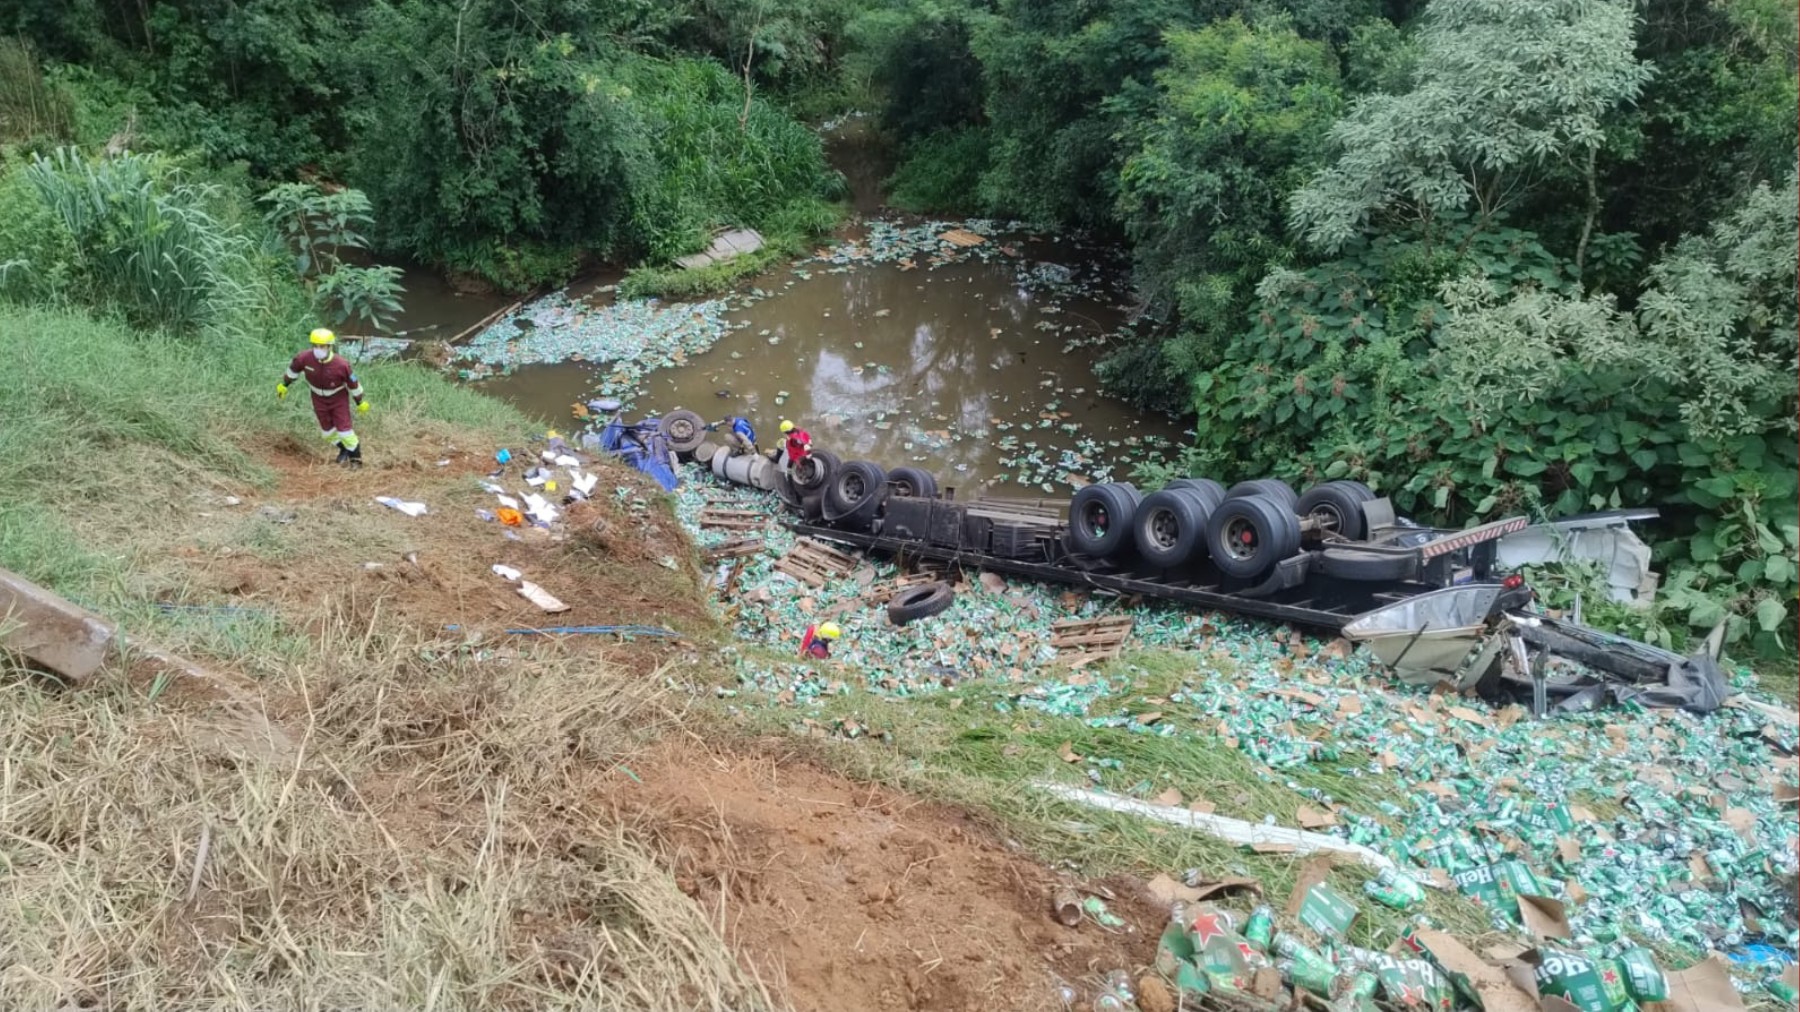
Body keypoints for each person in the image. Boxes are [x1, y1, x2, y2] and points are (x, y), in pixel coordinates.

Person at [278, 328, 369, 466]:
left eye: (322, 346)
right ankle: (344, 449)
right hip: (318, 398)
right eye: (315, 346)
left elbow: (353, 384)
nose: (318, 349)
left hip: (338, 399)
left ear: (329, 347)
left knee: (345, 432)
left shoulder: (341, 365)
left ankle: (356, 460)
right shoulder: (303, 358)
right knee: (327, 433)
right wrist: (284, 385)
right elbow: (292, 371)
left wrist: (360, 402)